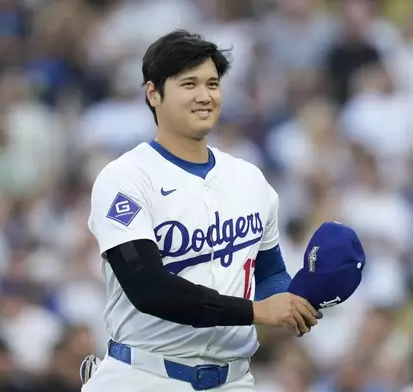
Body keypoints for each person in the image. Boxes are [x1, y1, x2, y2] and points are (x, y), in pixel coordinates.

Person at [83, 30, 321, 392]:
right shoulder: (124, 178)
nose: (204, 96)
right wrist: (257, 312)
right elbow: (149, 290)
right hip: (144, 376)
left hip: (234, 379)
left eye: (212, 83)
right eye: (188, 84)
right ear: (153, 93)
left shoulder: (249, 178)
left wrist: (291, 300)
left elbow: (270, 269)